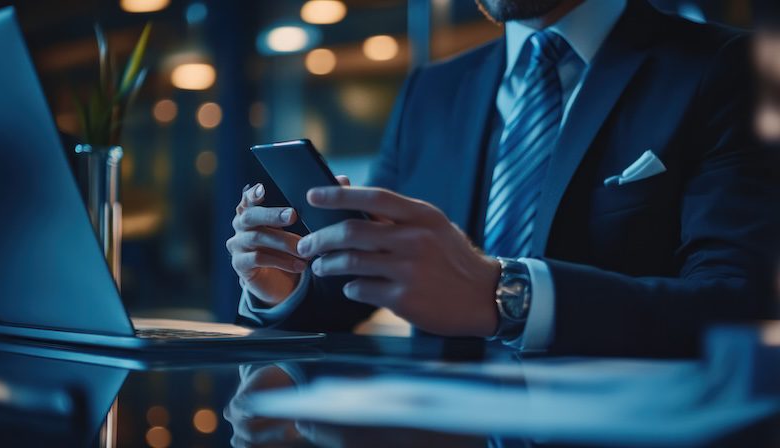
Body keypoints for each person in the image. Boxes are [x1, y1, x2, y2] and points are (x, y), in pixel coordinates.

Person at [227, 0, 780, 356]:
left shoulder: (728, 67)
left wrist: (504, 296)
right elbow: (356, 292)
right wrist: (285, 286)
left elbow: (739, 305)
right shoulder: (433, 91)